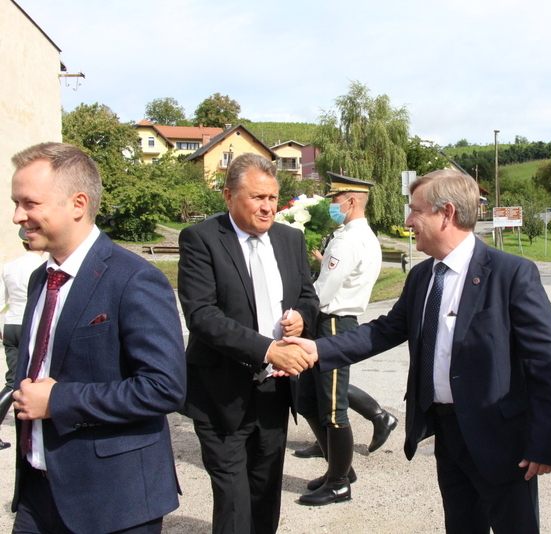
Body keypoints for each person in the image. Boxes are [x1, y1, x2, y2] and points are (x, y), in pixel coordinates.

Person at [286, 169, 551, 533]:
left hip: (502, 440)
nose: (408, 221)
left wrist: (545, 442)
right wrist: (317, 349)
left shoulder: (511, 274)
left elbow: (547, 363)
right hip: (447, 433)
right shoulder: (423, 276)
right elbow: (385, 330)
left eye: (416, 211)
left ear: (446, 213)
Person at [9, 142, 186, 533]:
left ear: (78, 204)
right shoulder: (42, 278)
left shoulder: (135, 279)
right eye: (16, 203)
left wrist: (59, 400)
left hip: (113, 501)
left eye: (29, 203)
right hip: (38, 495)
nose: (18, 216)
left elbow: (164, 388)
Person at [178, 152, 319, 534]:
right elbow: (202, 315)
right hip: (221, 393)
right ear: (229, 196)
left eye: (272, 198)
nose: (267, 207)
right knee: (233, 499)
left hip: (275, 391)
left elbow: (308, 296)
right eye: (257, 197)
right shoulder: (201, 239)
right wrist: (267, 350)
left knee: (265, 491)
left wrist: (302, 316)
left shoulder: (290, 239)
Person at [296, 172, 397, 505]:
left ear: (351, 201)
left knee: (332, 407)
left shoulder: (349, 240)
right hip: (330, 321)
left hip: (334, 324)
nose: (332, 205)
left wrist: (298, 314)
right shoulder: (355, 236)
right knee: (308, 399)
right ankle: (337, 469)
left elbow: (323, 291)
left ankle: (340, 481)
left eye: (335, 200)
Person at [0, 229, 45, 450]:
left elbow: (1, 301)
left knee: (12, 380)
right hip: (31, 324)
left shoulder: (9, 266)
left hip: (11, 324)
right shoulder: (42, 267)